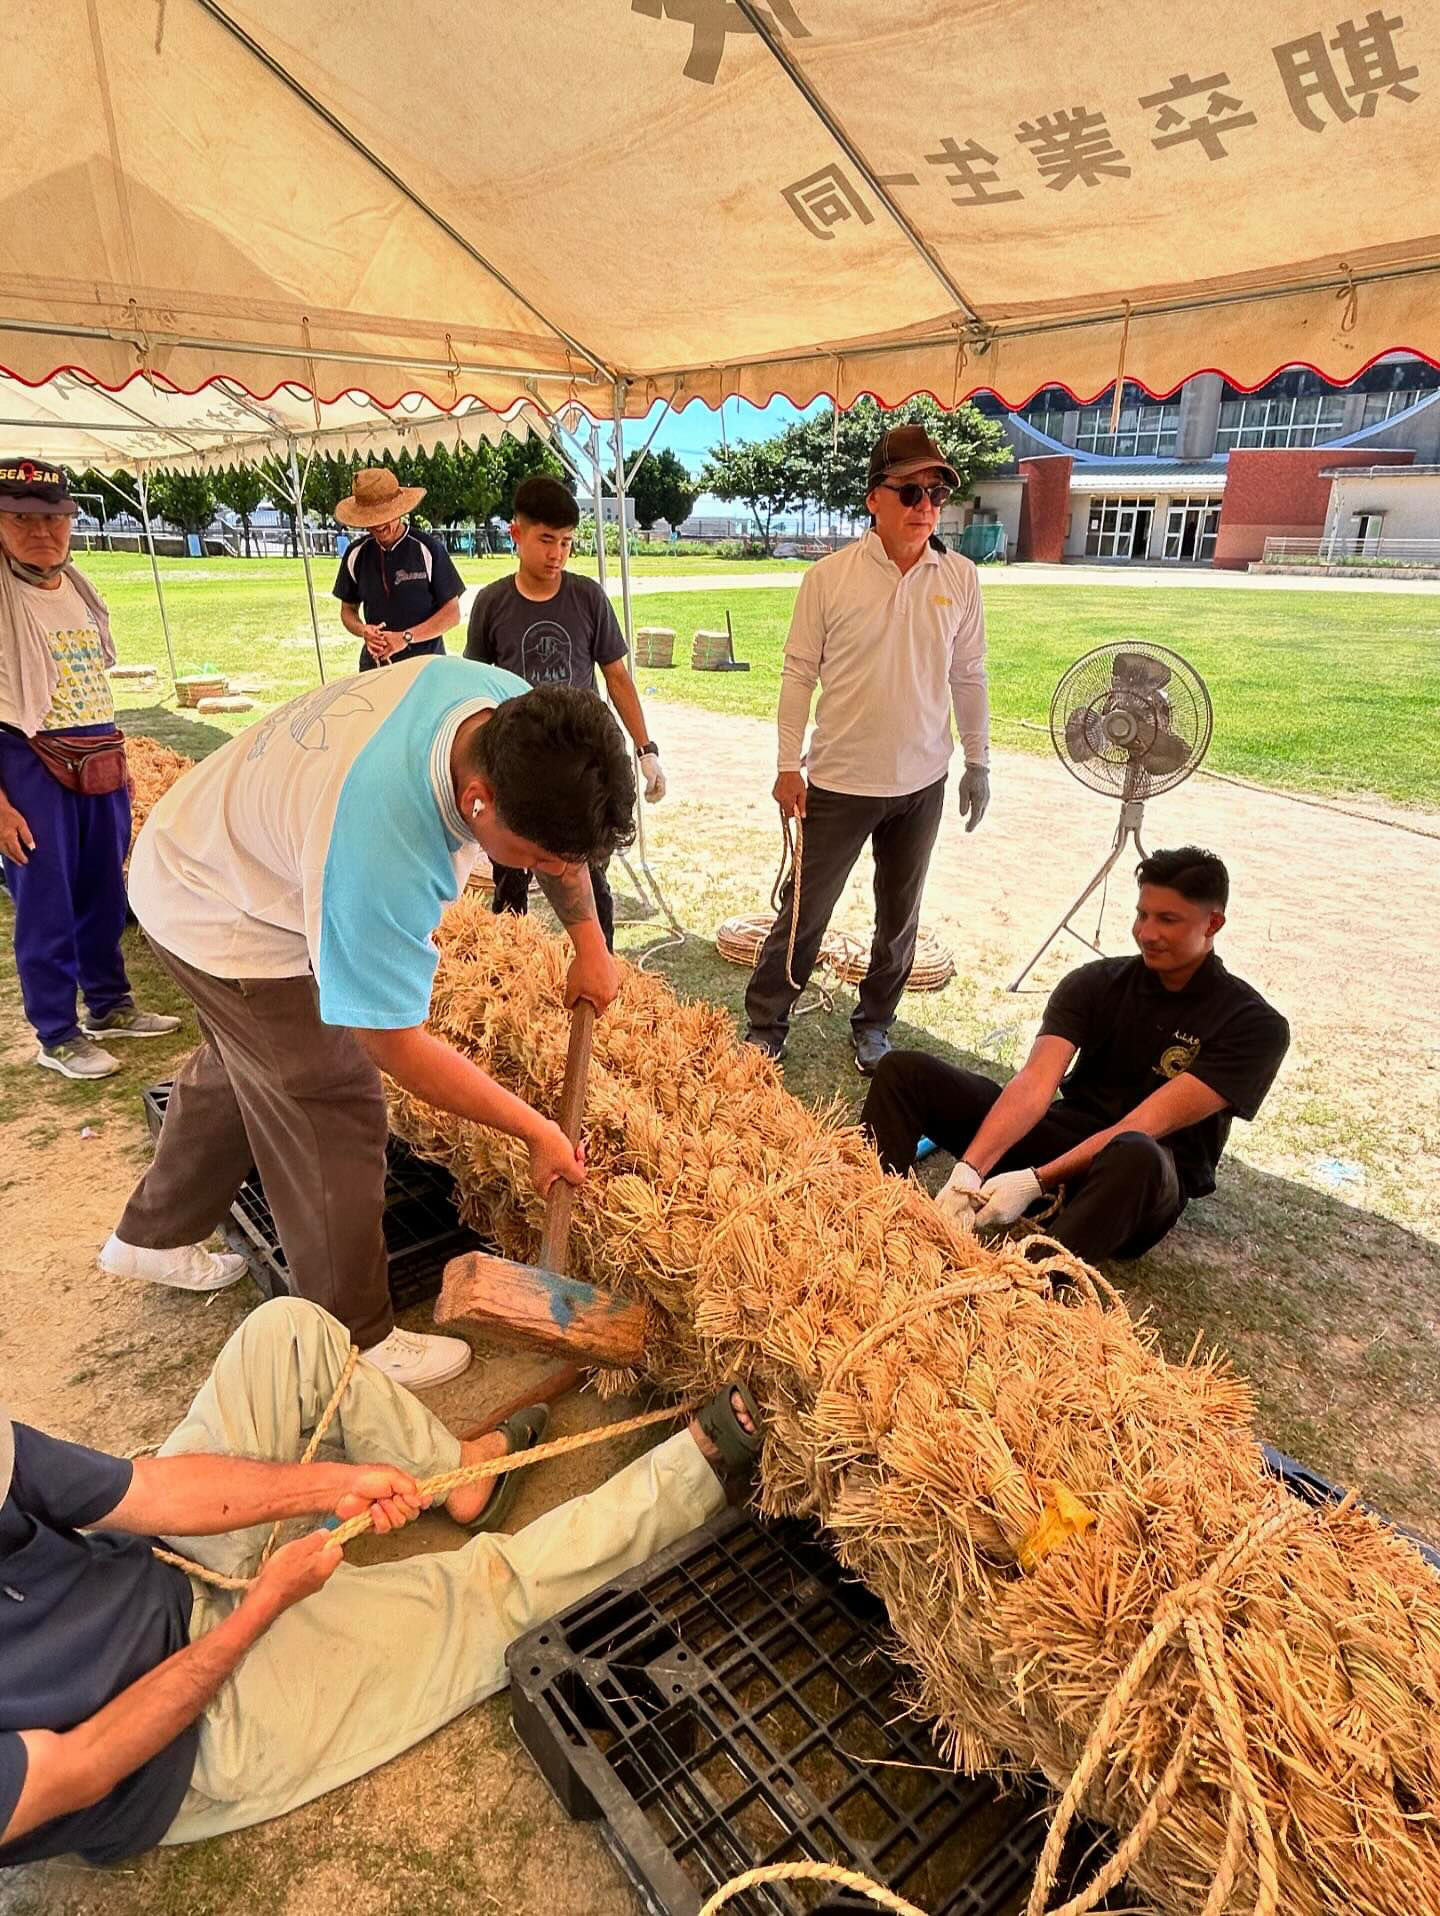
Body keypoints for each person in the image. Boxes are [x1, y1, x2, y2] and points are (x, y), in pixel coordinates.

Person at [0, 1295, 760, 1868]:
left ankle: (462, 1482)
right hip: (184, 1741)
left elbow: (147, 1495)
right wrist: (260, 1607)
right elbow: (85, 1765)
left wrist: (336, 1483)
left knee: (287, 1337)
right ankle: (696, 1469)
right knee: (484, 1595)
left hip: (153, 1569)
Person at [100, 656, 632, 1392]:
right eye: (537, 856)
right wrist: (538, 1130)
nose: (548, 867)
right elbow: (392, 1046)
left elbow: (559, 848)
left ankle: (150, 1237)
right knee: (329, 1095)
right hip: (214, 901)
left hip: (214, 839)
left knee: (249, 1058)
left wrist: (590, 944)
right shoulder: (383, 837)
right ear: (479, 802)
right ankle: (355, 1340)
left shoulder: (520, 723)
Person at [861, 848, 1290, 1263]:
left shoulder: (1252, 1026)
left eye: (1168, 919)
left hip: (1137, 1182)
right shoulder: (1095, 983)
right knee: (906, 1070)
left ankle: (1032, 1285)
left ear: (1213, 923)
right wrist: (971, 1170)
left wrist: (1035, 1181)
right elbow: (1035, 1084)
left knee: (1134, 1150)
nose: (1147, 932)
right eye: (1142, 914)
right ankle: (862, 1214)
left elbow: (1145, 1124)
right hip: (1062, 1136)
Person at [743, 425, 990, 1076]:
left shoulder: (960, 578)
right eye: (909, 491)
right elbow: (798, 673)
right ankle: (766, 1022)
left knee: (899, 918)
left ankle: (875, 1023)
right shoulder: (827, 579)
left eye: (935, 492)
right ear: (873, 498)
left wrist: (979, 761)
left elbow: (969, 675)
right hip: (840, 782)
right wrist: (786, 766)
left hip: (922, 784)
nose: (925, 505)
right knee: (805, 910)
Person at [0, 460, 180, 1081]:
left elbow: (93, 680)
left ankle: (108, 1003)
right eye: (21, 518)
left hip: (97, 749)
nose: (41, 531)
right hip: (26, 756)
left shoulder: (76, 585)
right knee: (45, 899)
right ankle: (56, 1032)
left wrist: (119, 763)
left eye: (52, 517)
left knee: (105, 887)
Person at [465, 475, 666, 952]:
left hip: (581, 765)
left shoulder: (587, 597)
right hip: (515, 765)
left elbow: (617, 676)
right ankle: (509, 971)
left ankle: (604, 966)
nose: (556, 554)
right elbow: (473, 688)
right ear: (517, 534)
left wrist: (646, 749)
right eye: (546, 540)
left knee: (592, 879)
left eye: (567, 543)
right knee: (511, 881)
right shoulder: (493, 603)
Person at [332, 468, 464, 673]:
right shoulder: (356, 554)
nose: (379, 525)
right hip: (375, 668)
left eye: (385, 516)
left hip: (426, 667)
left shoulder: (428, 549)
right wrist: (363, 630)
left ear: (400, 511)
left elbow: (452, 613)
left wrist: (405, 638)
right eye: (371, 519)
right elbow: (347, 610)